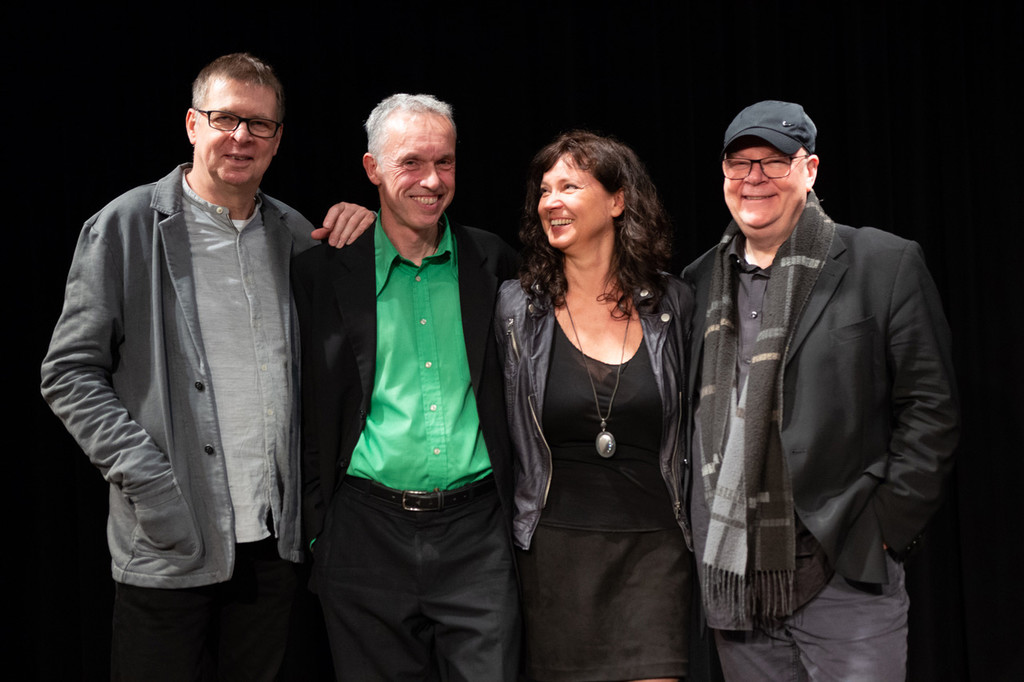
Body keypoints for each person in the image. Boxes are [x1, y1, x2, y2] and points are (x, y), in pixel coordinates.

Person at [39, 53, 372, 681]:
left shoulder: (296, 235)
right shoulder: (126, 226)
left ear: (278, 139)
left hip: (274, 543)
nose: (241, 136)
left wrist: (367, 227)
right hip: (171, 539)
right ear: (193, 124)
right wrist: (151, 484)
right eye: (225, 119)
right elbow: (69, 372)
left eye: (259, 124)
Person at [682, 100, 959, 680]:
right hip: (736, 579)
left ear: (809, 169)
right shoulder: (699, 280)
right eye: (740, 163)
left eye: (773, 161)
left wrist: (886, 529)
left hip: (845, 567)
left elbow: (931, 410)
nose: (754, 178)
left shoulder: (883, 262)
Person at [291, 93, 521, 681]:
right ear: (372, 169)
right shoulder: (322, 272)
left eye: (444, 162)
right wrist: (321, 533)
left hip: (477, 535)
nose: (432, 180)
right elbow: (306, 407)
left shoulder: (493, 262)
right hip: (365, 534)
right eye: (411, 163)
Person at [496, 131, 694, 682]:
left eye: (569, 186)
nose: (551, 201)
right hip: (554, 553)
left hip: (655, 549)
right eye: (544, 190)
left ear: (617, 200)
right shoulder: (516, 308)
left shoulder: (673, 304)